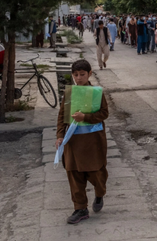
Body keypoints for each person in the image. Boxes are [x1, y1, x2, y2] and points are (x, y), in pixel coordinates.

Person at [55, 59, 109, 224]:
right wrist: (59, 135)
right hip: (73, 141)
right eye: (76, 75)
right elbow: (62, 115)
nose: (79, 78)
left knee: (97, 174)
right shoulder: (69, 93)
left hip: (93, 142)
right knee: (73, 173)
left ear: (89, 74)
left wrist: (85, 117)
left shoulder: (96, 92)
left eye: (82, 74)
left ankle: (99, 194)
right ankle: (80, 208)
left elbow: (104, 113)